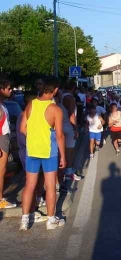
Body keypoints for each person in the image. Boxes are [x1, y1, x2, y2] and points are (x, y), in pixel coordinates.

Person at [20, 76, 66, 231]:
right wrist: (64, 156)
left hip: (31, 150)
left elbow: (22, 129)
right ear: (55, 90)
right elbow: (60, 135)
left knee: (29, 185)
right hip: (49, 152)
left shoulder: (30, 105)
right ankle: (51, 219)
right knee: (50, 185)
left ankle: (25, 220)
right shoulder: (55, 109)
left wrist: (34, 137)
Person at [16, 91, 47, 221]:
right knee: (31, 183)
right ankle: (32, 211)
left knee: (35, 179)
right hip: (30, 151)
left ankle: (36, 201)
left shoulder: (22, 115)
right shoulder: (26, 116)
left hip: (28, 151)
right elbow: (25, 135)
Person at [59, 80, 81, 182]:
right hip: (68, 126)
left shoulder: (60, 96)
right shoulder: (70, 98)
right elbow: (71, 114)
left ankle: (63, 172)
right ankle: (69, 172)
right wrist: (75, 128)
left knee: (61, 151)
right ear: (73, 88)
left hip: (60, 125)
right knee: (70, 151)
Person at [0, 79, 16, 209]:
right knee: (1, 170)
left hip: (4, 137)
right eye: (8, 88)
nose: (10, 91)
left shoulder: (3, 104)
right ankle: (0, 199)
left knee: (3, 169)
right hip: (1, 138)